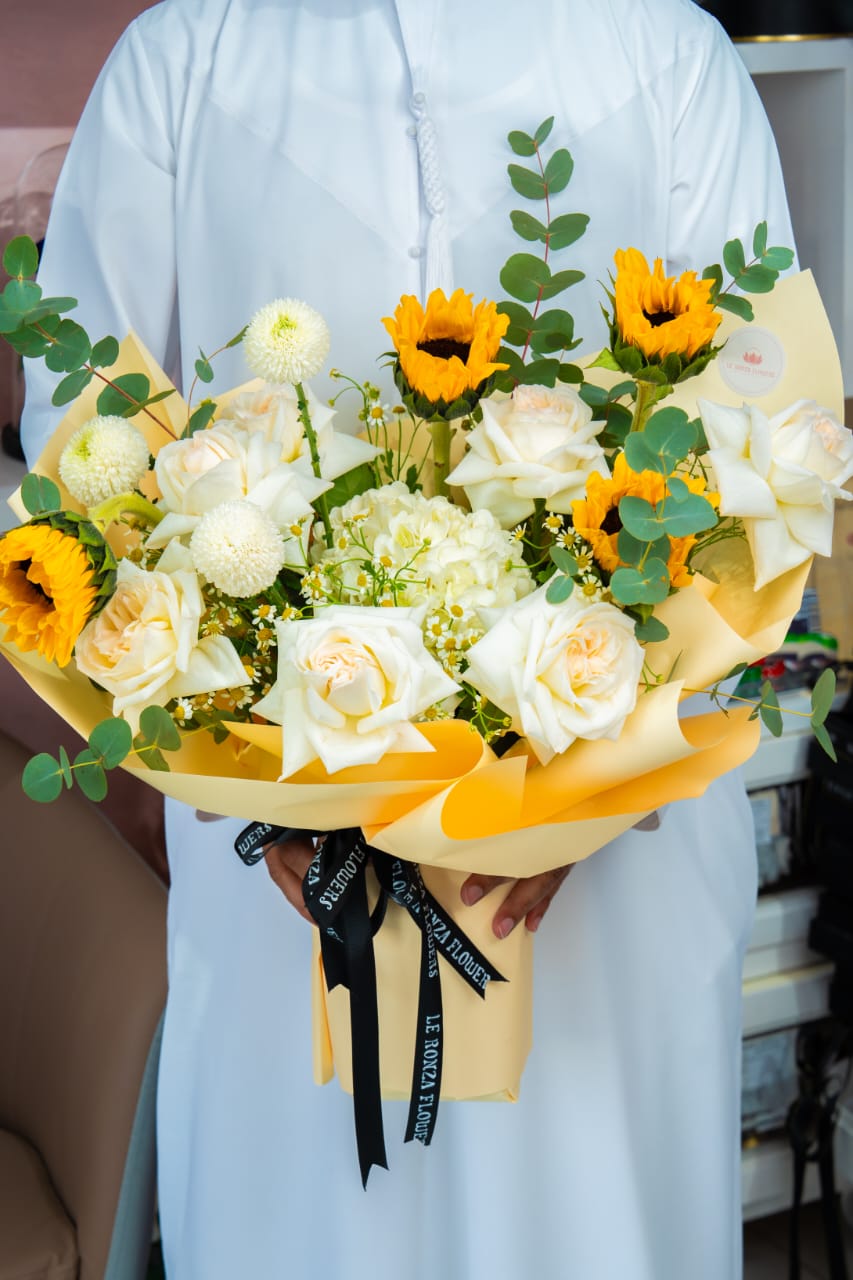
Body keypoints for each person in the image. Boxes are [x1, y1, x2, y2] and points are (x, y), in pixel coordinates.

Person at [21, 2, 795, 1276]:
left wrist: (576, 792)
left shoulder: (670, 51)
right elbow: (88, 452)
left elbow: (765, 428)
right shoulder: (181, 57)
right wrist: (265, 773)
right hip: (280, 869)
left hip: (618, 861)